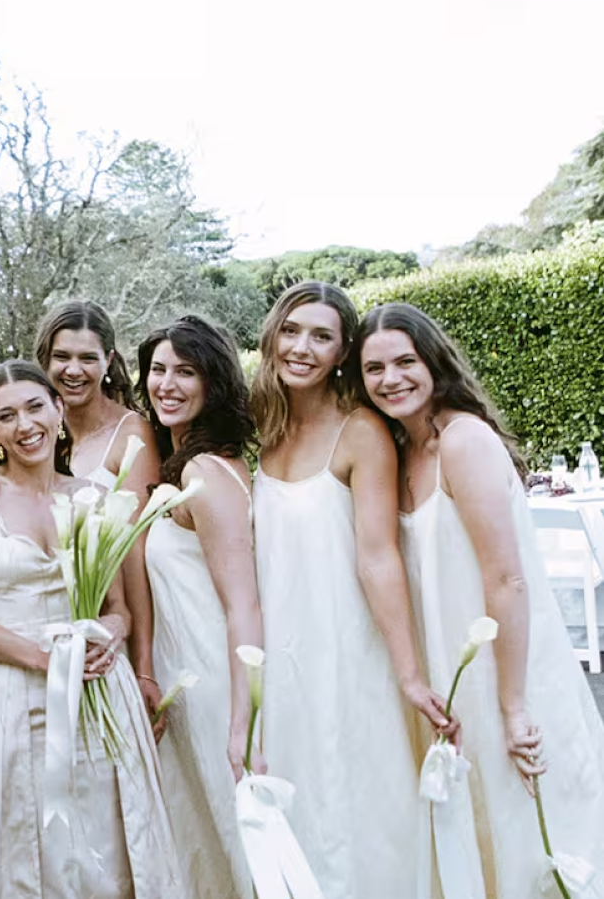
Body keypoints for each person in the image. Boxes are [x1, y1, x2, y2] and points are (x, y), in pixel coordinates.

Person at [357, 303, 604, 897]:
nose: (391, 379)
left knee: (531, 836)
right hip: (451, 669)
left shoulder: (463, 440)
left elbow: (507, 580)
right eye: (374, 369)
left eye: (404, 362)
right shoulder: (402, 450)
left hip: (506, 670)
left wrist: (514, 704)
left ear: (433, 362)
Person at [0, 360, 182, 898]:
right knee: (23, 847)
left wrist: (108, 634)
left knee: (106, 845)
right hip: (13, 695)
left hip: (96, 694)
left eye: (36, 407)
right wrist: (42, 659)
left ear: (58, 410)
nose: (25, 425)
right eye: (7, 416)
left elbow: (119, 606)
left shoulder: (90, 495)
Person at [249, 281, 455, 899]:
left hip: (348, 652)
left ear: (342, 353)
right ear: (272, 338)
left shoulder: (361, 431)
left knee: (359, 805)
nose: (302, 348)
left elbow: (378, 558)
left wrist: (410, 674)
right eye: (291, 331)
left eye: (321, 336)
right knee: (299, 802)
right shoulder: (264, 430)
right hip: (282, 659)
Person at [138, 315, 261, 899]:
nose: (166, 384)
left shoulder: (204, 470)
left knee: (236, 838)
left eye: (184, 372)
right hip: (185, 676)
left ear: (213, 382)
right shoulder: (194, 460)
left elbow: (242, 603)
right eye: (158, 370)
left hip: (215, 681)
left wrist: (243, 722)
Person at [34, 300, 164, 725]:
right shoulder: (36, 431)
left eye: (87, 358)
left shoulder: (131, 434)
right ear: (45, 361)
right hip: (51, 636)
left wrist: (144, 664)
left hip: (116, 632)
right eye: (62, 357)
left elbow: (135, 552)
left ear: (107, 361)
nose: (74, 370)